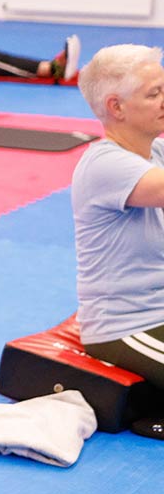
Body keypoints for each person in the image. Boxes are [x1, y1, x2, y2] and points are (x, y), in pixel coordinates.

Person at [72, 44, 164, 436]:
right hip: (126, 327)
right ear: (117, 107)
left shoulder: (155, 149)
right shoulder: (104, 165)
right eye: (154, 94)